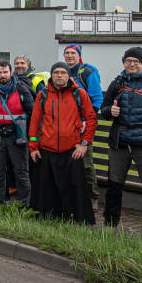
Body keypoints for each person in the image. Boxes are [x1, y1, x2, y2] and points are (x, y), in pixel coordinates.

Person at [99, 47, 142, 235]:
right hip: (120, 144)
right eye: (128, 61)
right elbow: (104, 108)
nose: (131, 64)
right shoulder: (117, 84)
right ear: (123, 62)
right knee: (113, 186)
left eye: (135, 61)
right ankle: (110, 225)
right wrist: (109, 112)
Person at [28, 62, 97, 224]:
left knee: (74, 190)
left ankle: (77, 222)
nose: (59, 75)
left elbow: (92, 119)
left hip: (72, 150)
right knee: (47, 191)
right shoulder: (43, 95)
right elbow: (35, 122)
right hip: (47, 149)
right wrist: (33, 147)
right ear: (51, 76)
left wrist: (84, 143)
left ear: (68, 76)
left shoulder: (79, 94)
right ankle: (47, 220)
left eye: (63, 72)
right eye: (56, 72)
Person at [0, 60, 34, 208]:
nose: (2, 75)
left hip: (17, 137)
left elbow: (32, 113)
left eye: (5, 72)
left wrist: (30, 136)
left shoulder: (22, 89)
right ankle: (0, 204)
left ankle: (24, 206)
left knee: (21, 173)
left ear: (11, 73)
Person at [63, 43, 103, 205]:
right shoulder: (62, 72)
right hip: (65, 126)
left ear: (78, 55)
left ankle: (92, 198)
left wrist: (87, 120)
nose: (70, 56)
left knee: (85, 163)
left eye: (73, 53)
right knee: (66, 162)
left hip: (83, 127)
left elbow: (97, 98)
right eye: (67, 53)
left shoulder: (88, 73)